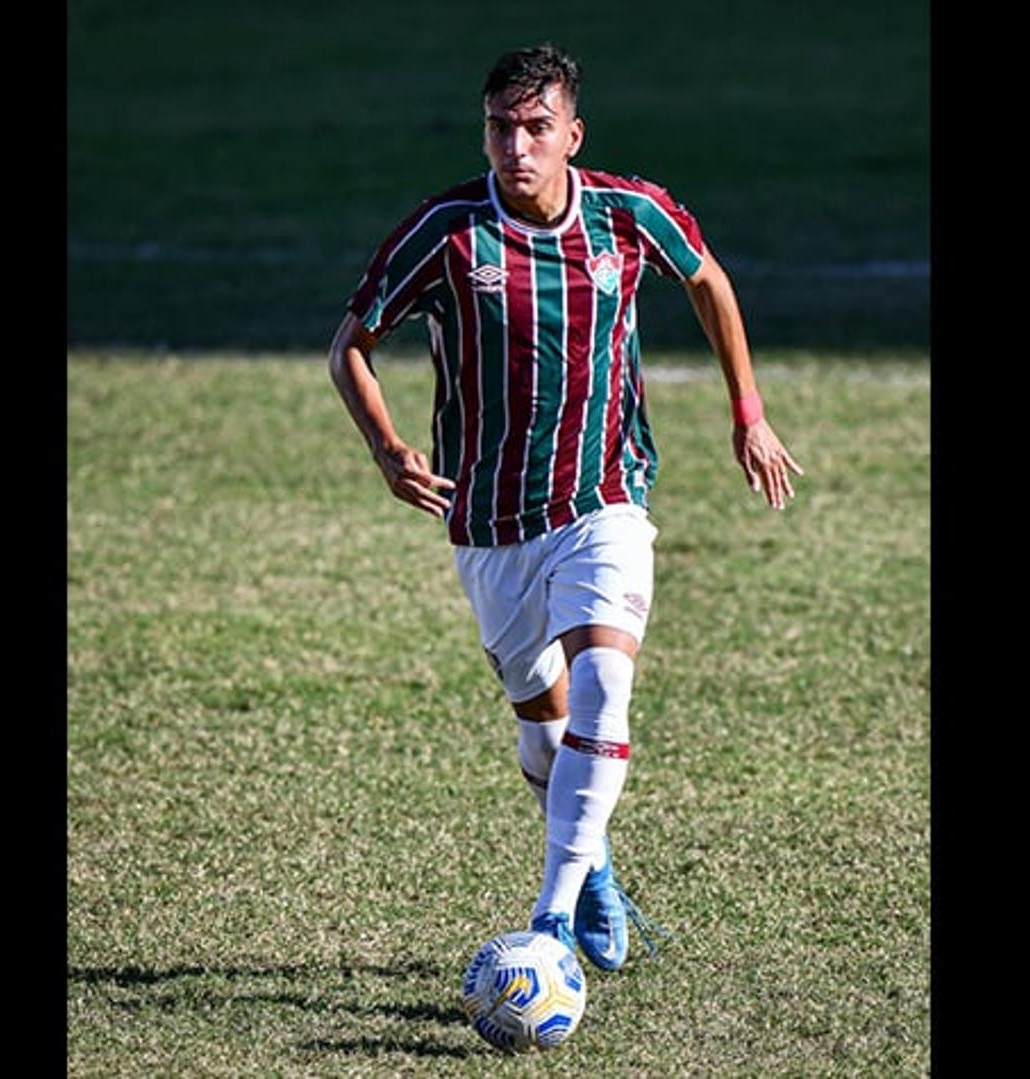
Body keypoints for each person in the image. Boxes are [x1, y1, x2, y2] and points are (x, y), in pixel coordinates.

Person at [328, 43, 802, 971]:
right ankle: (590, 865)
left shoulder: (629, 214)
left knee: (605, 689)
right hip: (491, 521)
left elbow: (707, 279)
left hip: (604, 497)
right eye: (502, 128)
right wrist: (388, 449)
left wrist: (748, 412)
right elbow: (352, 342)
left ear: (571, 135)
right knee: (545, 739)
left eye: (537, 128)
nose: (518, 146)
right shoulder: (446, 230)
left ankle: (551, 918)